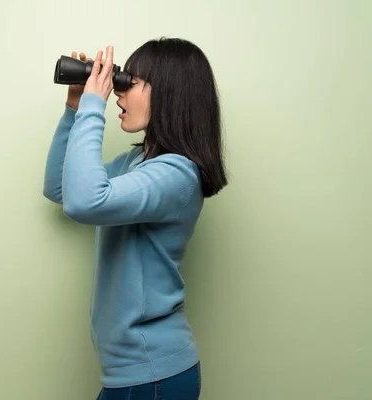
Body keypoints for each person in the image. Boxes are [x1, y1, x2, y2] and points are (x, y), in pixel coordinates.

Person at [43, 37, 227, 400]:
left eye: (131, 81)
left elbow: (84, 204)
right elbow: (61, 190)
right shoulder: (137, 164)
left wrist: (95, 106)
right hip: (137, 373)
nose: (119, 92)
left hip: (152, 374)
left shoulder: (177, 174)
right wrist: (75, 110)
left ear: (169, 94)